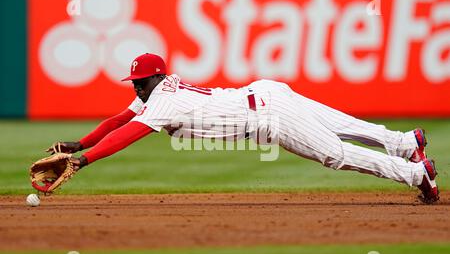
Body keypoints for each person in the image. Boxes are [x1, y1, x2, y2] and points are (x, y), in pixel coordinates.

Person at [49, 53, 439, 204]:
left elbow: (128, 134)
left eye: (140, 81)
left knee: (335, 152)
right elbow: (119, 120)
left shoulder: (163, 99)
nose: (135, 86)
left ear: (156, 77)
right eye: (133, 81)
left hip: (267, 114)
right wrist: (78, 142)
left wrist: (83, 160)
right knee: (341, 123)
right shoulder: (160, 89)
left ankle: (414, 171)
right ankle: (404, 142)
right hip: (264, 92)